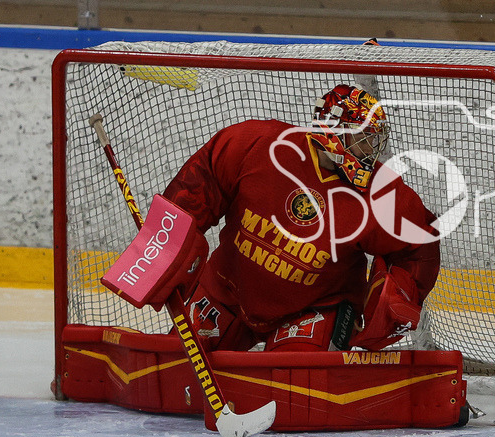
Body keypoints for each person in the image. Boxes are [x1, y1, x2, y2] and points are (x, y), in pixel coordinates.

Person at [160, 84, 441, 354]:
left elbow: (417, 247)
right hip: (227, 290)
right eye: (363, 137)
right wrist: (166, 251)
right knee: (176, 365)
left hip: (314, 309)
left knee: (300, 390)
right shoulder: (257, 144)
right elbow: (196, 189)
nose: (370, 150)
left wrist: (393, 300)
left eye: (373, 139)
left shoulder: (382, 193)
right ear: (335, 129)